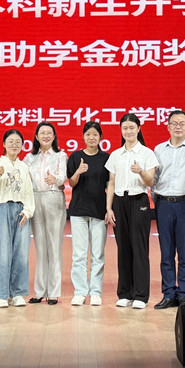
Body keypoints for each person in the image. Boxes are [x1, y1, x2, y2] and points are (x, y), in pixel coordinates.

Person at [105, 113, 159, 309]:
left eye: (131, 127)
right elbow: (111, 183)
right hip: (119, 202)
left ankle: (141, 295)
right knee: (123, 248)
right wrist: (109, 208)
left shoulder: (146, 153)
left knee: (139, 248)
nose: (128, 131)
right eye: (125, 128)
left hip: (139, 201)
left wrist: (141, 171)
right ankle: (125, 293)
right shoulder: (115, 155)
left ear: (138, 129)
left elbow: (150, 182)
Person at [151, 110, 185, 309]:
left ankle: (183, 294)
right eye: (174, 123)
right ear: (168, 127)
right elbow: (155, 178)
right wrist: (156, 198)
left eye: (182, 123)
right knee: (166, 252)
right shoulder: (158, 149)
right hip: (164, 204)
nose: (178, 126)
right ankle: (168, 293)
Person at [0, 129, 35, 309]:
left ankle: (17, 293)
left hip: (21, 211)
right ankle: (1, 295)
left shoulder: (24, 167)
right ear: (4, 144)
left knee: (21, 254)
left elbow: (28, 191)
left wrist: (28, 211)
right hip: (3, 209)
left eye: (18, 142)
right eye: (10, 141)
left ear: (22, 145)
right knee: (3, 253)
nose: (14, 145)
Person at [24, 121, 68, 305]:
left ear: (54, 136)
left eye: (49, 133)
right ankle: (40, 291)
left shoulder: (60, 155)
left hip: (53, 198)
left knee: (54, 247)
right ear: (36, 136)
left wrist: (54, 179)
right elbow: (22, 176)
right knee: (40, 248)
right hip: (35, 199)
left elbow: (63, 176)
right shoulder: (29, 158)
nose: (46, 136)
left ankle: (54, 292)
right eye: (42, 133)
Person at [66, 121, 110, 306]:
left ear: (100, 137)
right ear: (83, 137)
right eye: (88, 134)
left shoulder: (106, 158)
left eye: (95, 134)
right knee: (79, 254)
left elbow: (110, 185)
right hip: (79, 211)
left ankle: (96, 292)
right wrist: (78, 172)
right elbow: (71, 183)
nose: (91, 138)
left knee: (98, 254)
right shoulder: (76, 156)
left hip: (99, 211)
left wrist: (109, 209)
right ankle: (80, 291)